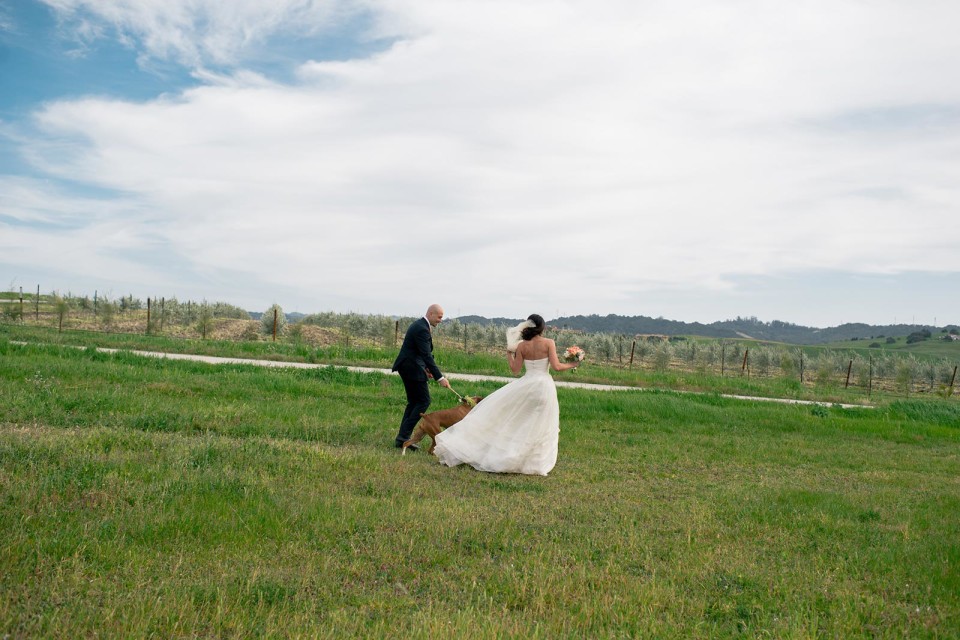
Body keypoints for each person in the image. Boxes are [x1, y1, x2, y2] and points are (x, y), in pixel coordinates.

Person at [432, 313, 578, 475]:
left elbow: (515, 371)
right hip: (544, 387)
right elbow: (557, 367)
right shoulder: (549, 343)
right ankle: (534, 462)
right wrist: (573, 364)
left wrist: (509, 354)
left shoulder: (522, 346)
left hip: (527, 386)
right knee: (540, 423)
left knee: (520, 420)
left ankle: (510, 454)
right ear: (542, 327)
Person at [392, 304, 451, 449]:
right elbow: (426, 355)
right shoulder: (422, 328)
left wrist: (426, 369)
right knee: (423, 401)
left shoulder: (421, 326)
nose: (440, 320)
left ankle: (402, 438)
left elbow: (419, 352)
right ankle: (403, 437)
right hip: (411, 368)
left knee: (414, 403)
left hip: (410, 366)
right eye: (439, 317)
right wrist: (440, 378)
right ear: (431, 314)